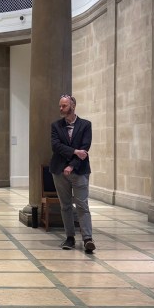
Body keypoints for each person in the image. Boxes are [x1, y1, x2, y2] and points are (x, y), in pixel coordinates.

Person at [49, 94, 95, 253]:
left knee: (82, 204)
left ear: (73, 106)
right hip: (59, 171)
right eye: (60, 106)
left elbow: (85, 149)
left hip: (80, 171)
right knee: (66, 206)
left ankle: (88, 238)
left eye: (64, 106)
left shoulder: (85, 125)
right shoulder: (56, 126)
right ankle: (69, 237)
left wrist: (72, 166)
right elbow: (56, 146)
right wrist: (74, 151)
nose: (61, 109)